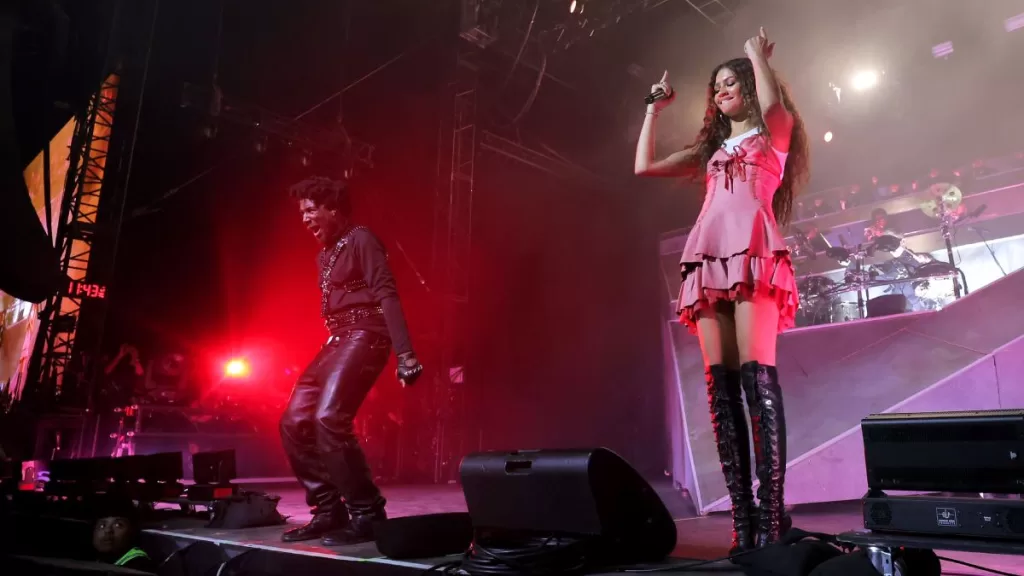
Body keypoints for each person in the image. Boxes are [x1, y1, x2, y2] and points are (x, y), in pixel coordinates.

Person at [634, 28, 809, 551]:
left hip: (753, 254)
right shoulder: (712, 149)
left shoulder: (774, 133)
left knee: (759, 382)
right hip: (707, 259)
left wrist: (756, 56)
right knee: (722, 388)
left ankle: (772, 516)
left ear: (752, 87)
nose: (721, 90)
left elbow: (774, 101)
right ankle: (744, 521)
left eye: (730, 82)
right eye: (716, 86)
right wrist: (653, 110)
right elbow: (643, 166)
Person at [279, 176, 423, 546]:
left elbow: (387, 294)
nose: (306, 219)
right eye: (302, 213)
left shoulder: (362, 239)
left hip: (367, 334)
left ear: (333, 209)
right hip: (336, 340)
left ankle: (368, 513)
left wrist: (405, 354)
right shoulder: (323, 255)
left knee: (329, 418)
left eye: (312, 210)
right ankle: (329, 511)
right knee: (293, 420)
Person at [92, 501, 157, 572]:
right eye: (102, 526)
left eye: (118, 525)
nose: (108, 530)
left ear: (132, 531)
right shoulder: (92, 561)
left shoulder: (140, 565)